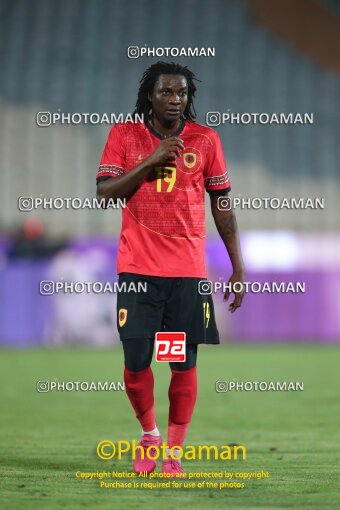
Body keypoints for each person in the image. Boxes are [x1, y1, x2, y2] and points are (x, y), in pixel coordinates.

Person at [96, 61, 245, 476]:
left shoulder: (206, 140)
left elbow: (223, 206)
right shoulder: (124, 136)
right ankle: (149, 435)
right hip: (138, 268)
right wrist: (151, 161)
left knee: (180, 361)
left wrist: (237, 266)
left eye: (181, 93)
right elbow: (105, 191)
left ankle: (174, 455)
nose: (175, 99)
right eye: (166, 92)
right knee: (138, 357)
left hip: (186, 274)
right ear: (150, 96)